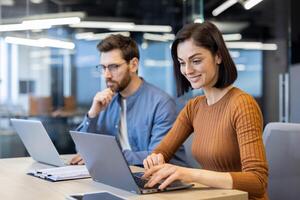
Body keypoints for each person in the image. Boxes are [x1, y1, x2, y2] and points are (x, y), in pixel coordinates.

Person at [143, 21, 268, 200]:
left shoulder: (242, 105)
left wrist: (189, 174)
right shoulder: (194, 107)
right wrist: (155, 158)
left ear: (218, 56)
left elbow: (257, 181)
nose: (187, 70)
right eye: (182, 62)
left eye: (196, 61)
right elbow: (162, 151)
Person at [70, 34, 187, 166]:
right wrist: (92, 114)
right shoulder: (106, 101)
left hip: (164, 181)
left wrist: (106, 156)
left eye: (114, 67)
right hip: (123, 175)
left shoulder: (161, 103)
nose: (107, 75)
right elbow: (82, 150)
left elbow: (157, 157)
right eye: (103, 67)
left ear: (133, 65)